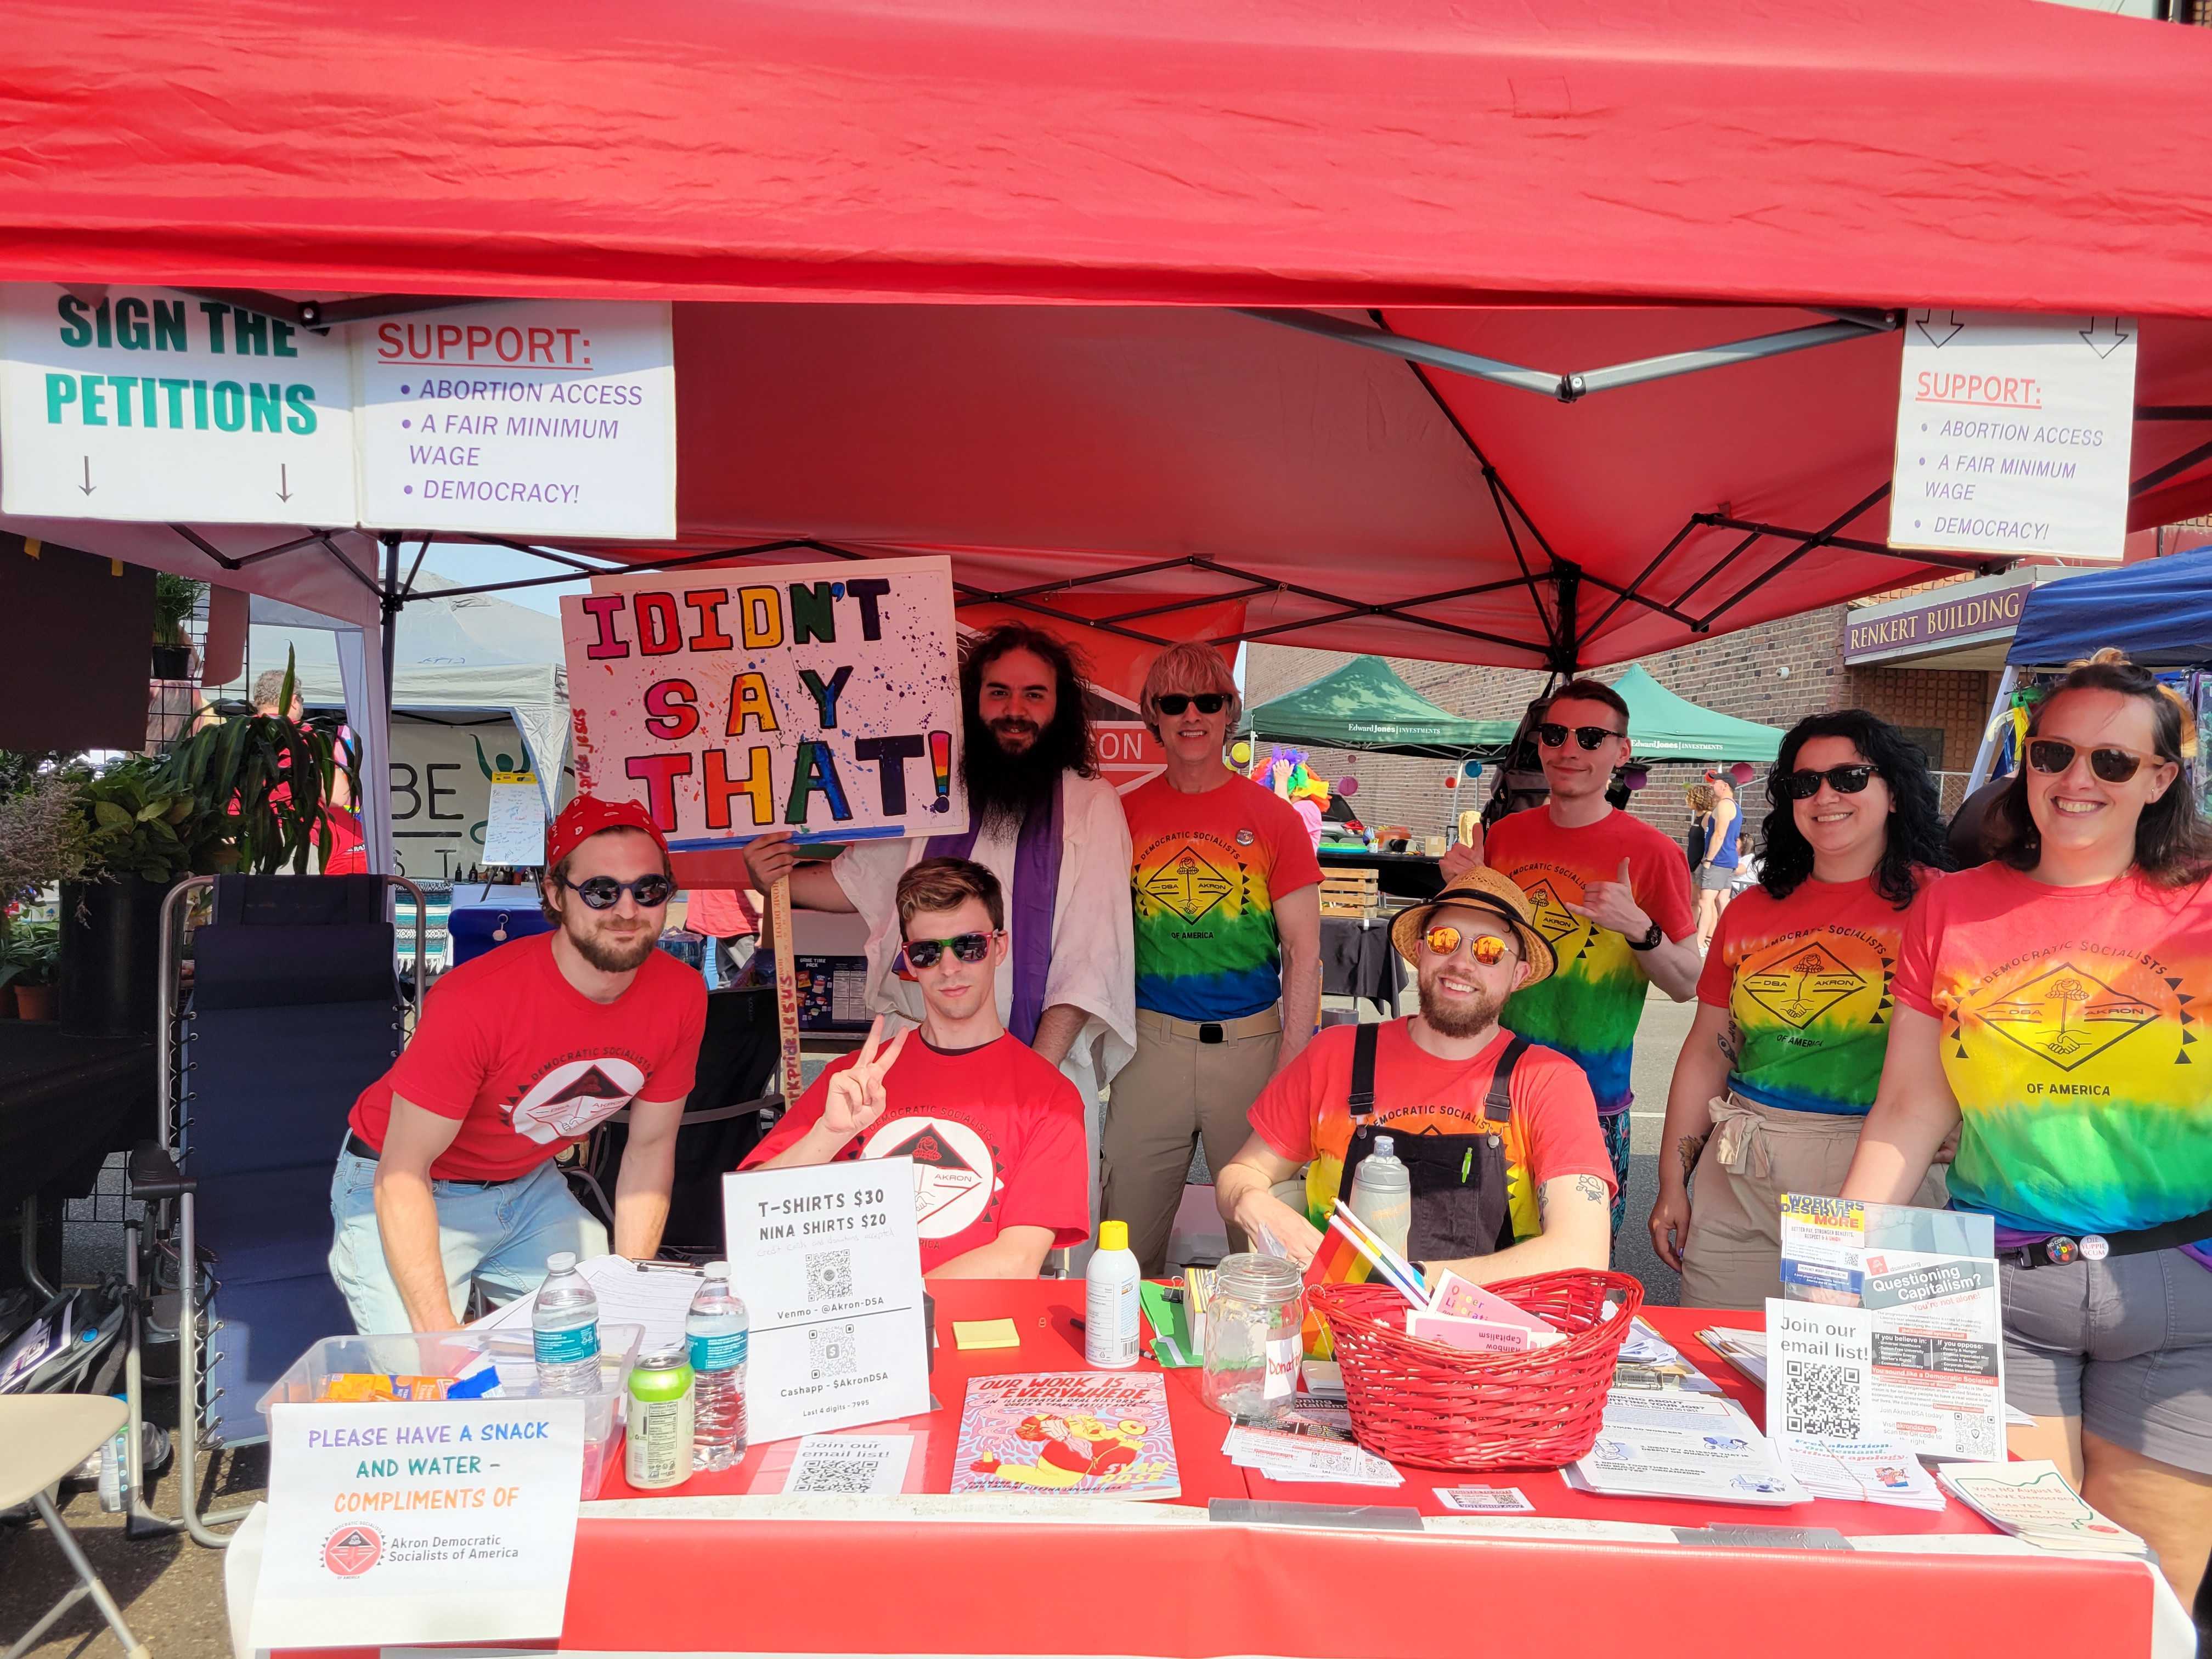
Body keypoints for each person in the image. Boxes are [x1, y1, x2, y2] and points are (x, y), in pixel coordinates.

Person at [1841, 650, 2212, 1604]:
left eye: (2113, 762)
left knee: (2150, 1588)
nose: (2076, 779)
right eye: (2052, 753)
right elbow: (1910, 1107)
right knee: (2014, 1576)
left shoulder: (2203, 911)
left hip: (2182, 1290)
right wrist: (1832, 1270)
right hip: (1991, 1286)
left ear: (2161, 778)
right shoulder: (1951, 905)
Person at [742, 624, 1134, 1211]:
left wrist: (1026, 1079)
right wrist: (769, 877)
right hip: (917, 1061)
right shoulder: (929, 790)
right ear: (973, 702)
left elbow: (1090, 959)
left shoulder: (1090, 805)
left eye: (1035, 695)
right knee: (917, 1220)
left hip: (1035, 1066)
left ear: (1061, 709)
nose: (1015, 710)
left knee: (1032, 1242)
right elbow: (856, 886)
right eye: (998, 692)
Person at [328, 795, 706, 1333]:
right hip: (406, 1182)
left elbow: (649, 1148)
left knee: (612, 1342)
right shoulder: (476, 1001)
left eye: (648, 890)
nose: (627, 910)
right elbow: (402, 1172)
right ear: (554, 893)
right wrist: (439, 1334)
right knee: (428, 1382)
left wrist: (632, 1285)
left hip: (527, 1185)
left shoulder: (682, 993)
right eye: (601, 891)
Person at [1649, 712, 1953, 1307]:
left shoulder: (1944, 904)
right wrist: (1672, 1184)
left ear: (1894, 791)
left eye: (1850, 777)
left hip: (1881, 1168)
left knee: (1859, 1385)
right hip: (1741, 1166)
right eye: (1804, 783)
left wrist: (1969, 1123)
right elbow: (1708, 1051)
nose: (1825, 796)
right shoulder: (1750, 910)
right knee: (1722, 1366)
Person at [1214, 867, 1614, 1285]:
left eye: (1490, 950)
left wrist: (1407, 1282)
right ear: (1420, 951)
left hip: (1489, 1339)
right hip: (1337, 1332)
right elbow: (1241, 1173)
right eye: (1446, 941)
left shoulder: (1549, 1081)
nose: (1461, 963)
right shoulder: (1336, 1054)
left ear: (1519, 975)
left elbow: (1582, 1251)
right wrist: (1251, 1200)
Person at [741, 858, 1089, 1278]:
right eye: (928, 952)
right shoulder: (858, 1076)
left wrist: (890, 1313)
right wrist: (828, 1135)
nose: (950, 968)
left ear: (999, 947)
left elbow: (1017, 1259)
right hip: (847, 1324)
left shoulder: (1050, 1097)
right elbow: (752, 1216)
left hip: (965, 1330)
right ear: (908, 960)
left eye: (969, 946)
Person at [1442, 678, 1697, 1233]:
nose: (1570, 750)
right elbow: (1462, 962)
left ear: (1621, 752)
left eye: (1590, 737)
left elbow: (1687, 982)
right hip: (1487, 1090)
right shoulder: (1503, 836)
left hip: (1590, 1101)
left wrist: (1640, 929)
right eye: (1555, 734)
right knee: (1472, 1261)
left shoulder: (1654, 854)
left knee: (1576, 1272)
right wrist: (1462, 896)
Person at [1105, 644, 1322, 1273]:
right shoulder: (1124, 815)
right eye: (1174, 703)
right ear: (1153, 716)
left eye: (1209, 701)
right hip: (1149, 1048)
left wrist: (1294, 1061)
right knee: (1123, 1239)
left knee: (1267, 1247)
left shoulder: (1275, 818)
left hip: (1254, 1047)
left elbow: (1305, 952)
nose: (1192, 715)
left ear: (1231, 710)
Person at [1696, 771, 1743, 951]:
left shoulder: (1724, 805)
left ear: (1724, 786)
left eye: (1715, 783)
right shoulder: (1734, 806)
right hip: (1728, 860)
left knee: (1705, 902)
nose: (1712, 786)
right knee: (1720, 901)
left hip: (1719, 860)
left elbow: (1720, 834)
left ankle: (1700, 944)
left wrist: (1708, 859)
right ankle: (1714, 939)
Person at [684, 883, 760, 987]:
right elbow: (745, 873)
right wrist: (762, 914)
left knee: (730, 984)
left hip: (723, 911)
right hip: (742, 916)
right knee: (760, 983)